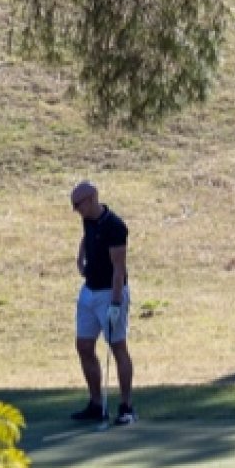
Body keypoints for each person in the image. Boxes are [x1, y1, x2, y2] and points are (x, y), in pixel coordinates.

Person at [69, 179, 134, 426]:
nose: (76, 210)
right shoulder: (88, 219)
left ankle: (126, 406)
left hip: (110, 293)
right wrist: (80, 258)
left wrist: (117, 304)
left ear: (92, 198)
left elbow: (119, 268)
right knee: (84, 345)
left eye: (78, 204)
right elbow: (86, 238)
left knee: (118, 347)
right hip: (89, 291)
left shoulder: (115, 227)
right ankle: (96, 404)